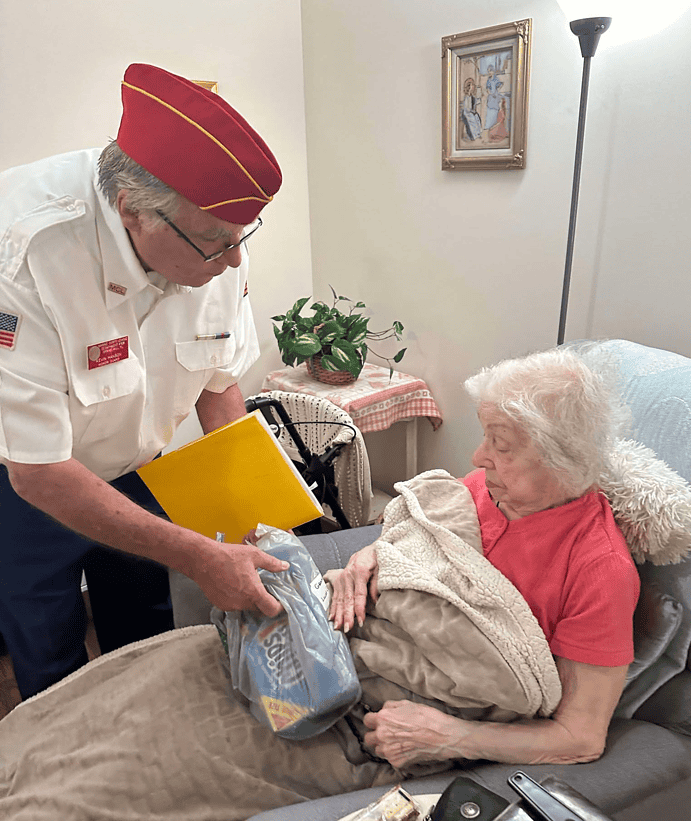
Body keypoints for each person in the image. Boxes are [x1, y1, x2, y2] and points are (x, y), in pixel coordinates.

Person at [0, 63, 288, 700]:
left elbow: (219, 387)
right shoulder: (25, 251)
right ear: (132, 211)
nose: (235, 261)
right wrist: (201, 557)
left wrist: (254, 516)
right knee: (48, 648)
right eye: (216, 241)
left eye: (243, 236)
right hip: (29, 476)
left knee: (143, 630)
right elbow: (39, 471)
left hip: (138, 460)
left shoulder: (213, 239)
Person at [329, 347, 640, 768]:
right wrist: (369, 556)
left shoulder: (600, 571)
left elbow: (580, 737)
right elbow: (415, 537)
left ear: (561, 459)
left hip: (396, 720)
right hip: (348, 652)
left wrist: (445, 737)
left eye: (501, 445)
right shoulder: (486, 487)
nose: (477, 458)